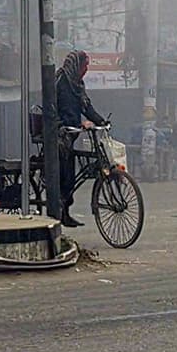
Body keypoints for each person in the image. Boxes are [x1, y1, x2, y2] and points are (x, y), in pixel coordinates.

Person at [55, 50, 105, 227]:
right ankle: (58, 211)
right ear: (76, 65)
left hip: (72, 134)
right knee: (64, 175)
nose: (86, 70)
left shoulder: (78, 85)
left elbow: (86, 107)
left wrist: (100, 121)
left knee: (70, 175)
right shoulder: (60, 82)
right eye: (84, 65)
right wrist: (66, 124)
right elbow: (56, 108)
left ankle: (65, 212)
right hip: (59, 135)